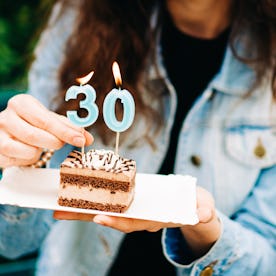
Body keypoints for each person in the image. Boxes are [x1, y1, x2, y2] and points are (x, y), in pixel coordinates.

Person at [0, 0, 275, 275]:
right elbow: (12, 243)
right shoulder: (78, 18)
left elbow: (268, 262)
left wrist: (205, 228)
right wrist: (24, 163)